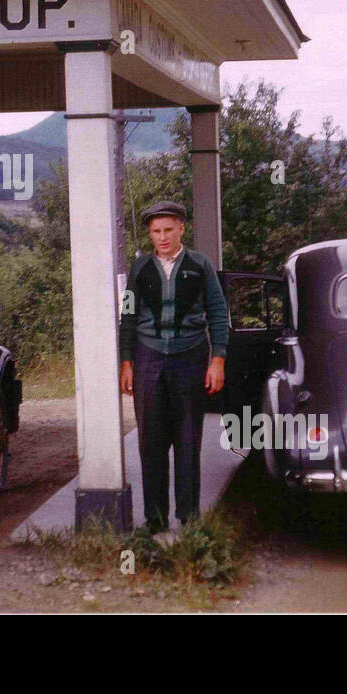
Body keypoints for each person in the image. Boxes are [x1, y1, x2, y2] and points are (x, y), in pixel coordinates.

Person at [118, 200, 230, 534]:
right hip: (148, 357)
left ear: (182, 228)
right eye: (156, 231)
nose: (162, 237)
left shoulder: (200, 265)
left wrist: (217, 360)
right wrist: (127, 362)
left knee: (188, 439)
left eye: (169, 229)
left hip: (190, 358)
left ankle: (189, 516)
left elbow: (218, 312)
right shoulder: (139, 268)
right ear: (150, 233)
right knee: (150, 442)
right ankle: (154, 518)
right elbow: (128, 316)